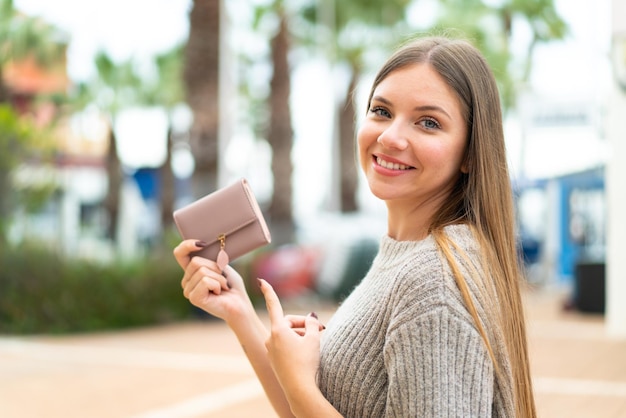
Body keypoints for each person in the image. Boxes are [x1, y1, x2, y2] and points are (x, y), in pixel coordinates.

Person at [174, 35, 536, 418]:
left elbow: (304, 399)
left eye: (428, 122)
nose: (390, 136)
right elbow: (305, 410)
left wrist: (299, 381)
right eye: (381, 111)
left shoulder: (434, 282)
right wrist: (241, 313)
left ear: (469, 153)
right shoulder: (407, 255)